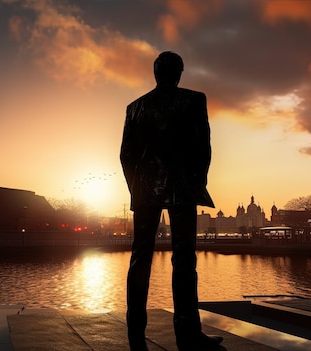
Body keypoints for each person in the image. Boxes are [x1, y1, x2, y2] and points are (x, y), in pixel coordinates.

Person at [120, 51, 223, 351]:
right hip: (182, 188)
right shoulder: (193, 100)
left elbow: (127, 155)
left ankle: (135, 335)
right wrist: (196, 182)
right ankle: (188, 334)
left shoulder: (136, 107)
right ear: (179, 73)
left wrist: (137, 190)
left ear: (155, 73)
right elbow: (203, 148)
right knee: (184, 259)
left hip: (145, 191)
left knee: (140, 259)